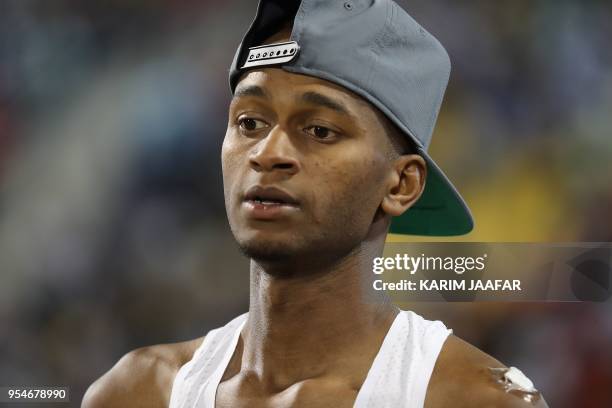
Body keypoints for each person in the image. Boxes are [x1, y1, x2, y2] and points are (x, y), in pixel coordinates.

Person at [83, 0, 548, 406]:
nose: (267, 153)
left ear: (402, 184)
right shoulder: (134, 393)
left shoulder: (478, 400)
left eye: (320, 129)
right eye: (249, 122)